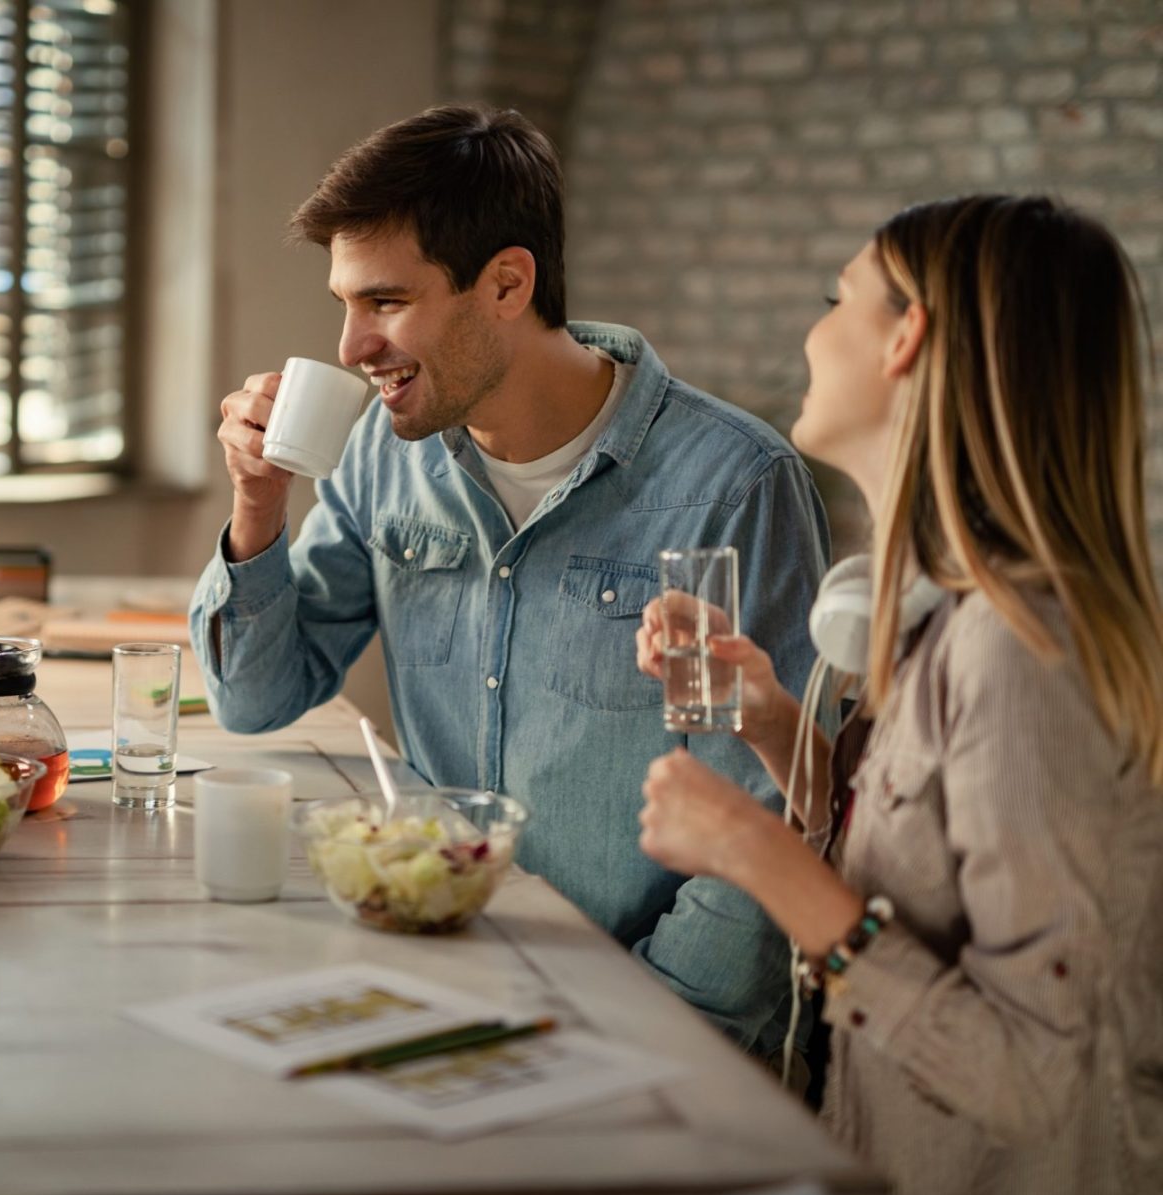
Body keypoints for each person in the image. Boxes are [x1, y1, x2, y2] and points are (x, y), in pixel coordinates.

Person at [189, 105, 831, 1051]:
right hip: (444, 976)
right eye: (345, 303)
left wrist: (642, 1033)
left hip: (645, 1024)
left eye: (386, 302)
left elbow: (765, 823)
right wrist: (257, 507)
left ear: (506, 283)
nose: (351, 347)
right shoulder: (383, 456)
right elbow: (254, 697)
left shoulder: (732, 486)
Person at [634, 195, 1163, 1195]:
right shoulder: (946, 620)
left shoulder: (1019, 654)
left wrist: (759, 856)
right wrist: (776, 723)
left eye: (838, 297)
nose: (813, 328)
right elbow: (926, 870)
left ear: (906, 336)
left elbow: (1033, 1074)